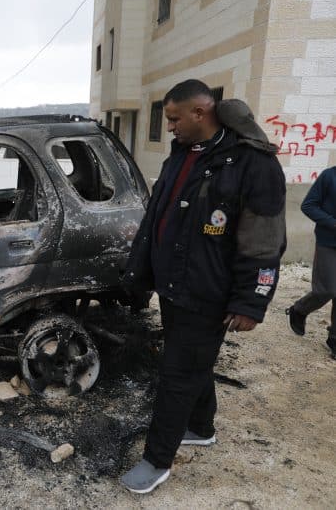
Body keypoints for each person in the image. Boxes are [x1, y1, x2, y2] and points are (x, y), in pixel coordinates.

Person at [119, 80, 286, 493]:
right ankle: (201, 425)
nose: (169, 126)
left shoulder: (253, 164)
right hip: (175, 285)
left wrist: (251, 302)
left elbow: (263, 240)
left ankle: (157, 460)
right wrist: (141, 271)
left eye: (174, 118)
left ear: (200, 112)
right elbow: (158, 214)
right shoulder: (184, 153)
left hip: (207, 292)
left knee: (177, 373)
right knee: (192, 363)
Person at [287, 165, 336, 359]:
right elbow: (308, 205)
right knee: (326, 290)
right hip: (328, 242)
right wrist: (333, 223)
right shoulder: (329, 176)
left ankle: (334, 339)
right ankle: (299, 310)